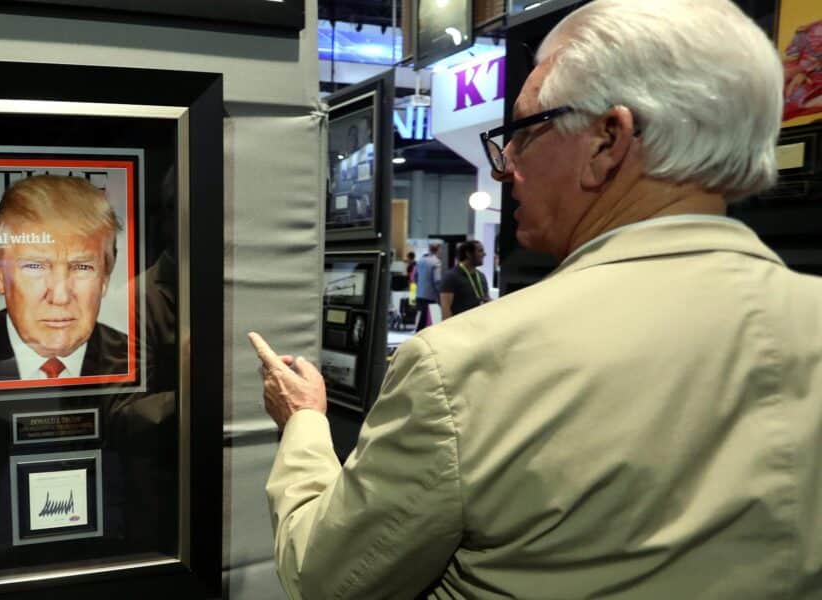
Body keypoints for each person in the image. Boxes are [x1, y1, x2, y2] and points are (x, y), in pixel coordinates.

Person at [250, 1, 822, 598]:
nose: (506, 168)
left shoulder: (466, 365)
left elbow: (327, 578)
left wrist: (305, 423)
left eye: (522, 133)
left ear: (607, 140)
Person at [0, 174, 128, 381]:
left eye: (82, 267)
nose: (60, 297)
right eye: (35, 266)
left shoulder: (134, 358)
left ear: (105, 277)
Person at [439, 240, 488, 320]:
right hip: (459, 328)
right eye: (480, 251)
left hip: (478, 326)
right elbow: (446, 309)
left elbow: (485, 299)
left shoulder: (481, 276)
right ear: (468, 254)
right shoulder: (451, 277)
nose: (484, 254)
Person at [413, 241, 441, 331]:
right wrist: (440, 293)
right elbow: (437, 280)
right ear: (438, 250)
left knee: (420, 315)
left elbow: (415, 276)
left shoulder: (420, 261)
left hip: (420, 293)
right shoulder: (437, 262)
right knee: (429, 318)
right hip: (431, 295)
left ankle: (417, 332)